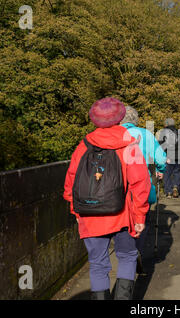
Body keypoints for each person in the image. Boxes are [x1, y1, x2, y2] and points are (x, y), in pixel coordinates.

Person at [63, 97, 151, 300]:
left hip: (90, 214)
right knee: (128, 256)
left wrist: (76, 210)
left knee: (97, 263)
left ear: (94, 120)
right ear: (120, 118)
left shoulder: (83, 146)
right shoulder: (130, 145)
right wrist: (139, 217)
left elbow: (71, 182)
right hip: (123, 214)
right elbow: (141, 184)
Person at [120, 106, 166, 268]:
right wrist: (160, 171)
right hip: (141, 185)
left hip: (118, 187)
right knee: (142, 218)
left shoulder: (114, 135)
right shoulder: (145, 134)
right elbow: (160, 158)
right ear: (135, 120)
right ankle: (137, 249)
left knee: (123, 221)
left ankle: (127, 251)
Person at [158, 118, 180, 198]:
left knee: (167, 174)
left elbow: (161, 145)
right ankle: (175, 186)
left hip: (168, 156)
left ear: (166, 124)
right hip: (178, 156)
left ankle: (168, 191)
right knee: (176, 172)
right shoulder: (179, 132)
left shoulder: (163, 132)